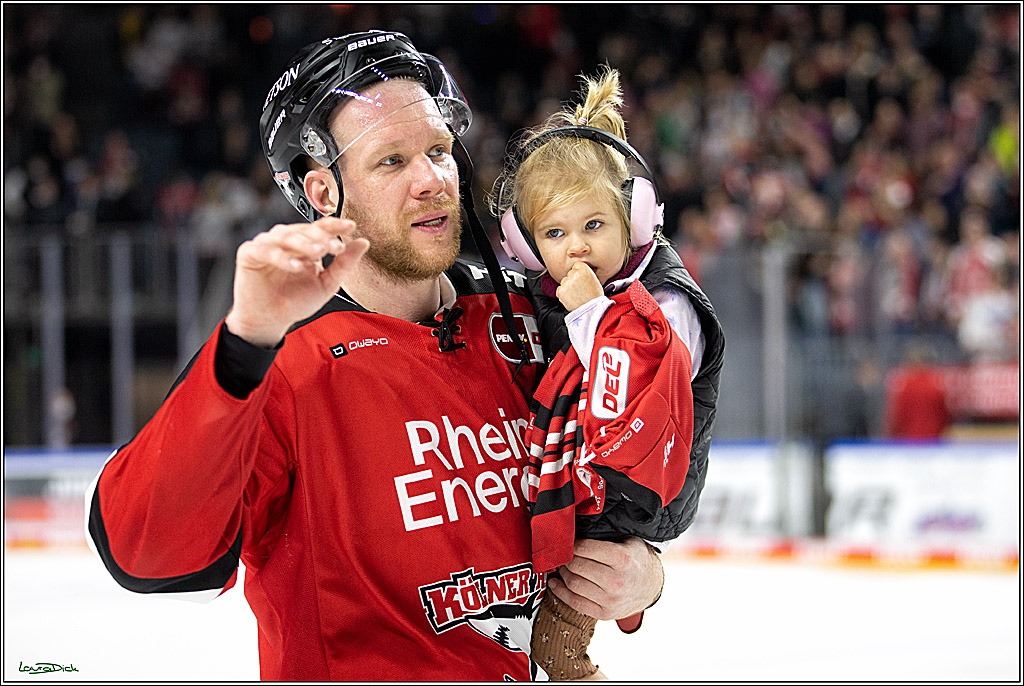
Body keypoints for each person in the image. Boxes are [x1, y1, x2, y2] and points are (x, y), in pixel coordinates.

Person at [85, 31, 664, 681]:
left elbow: (620, 471)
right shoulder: (285, 369)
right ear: (324, 193)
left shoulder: (533, 320)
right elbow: (149, 555)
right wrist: (244, 343)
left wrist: (644, 578)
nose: (432, 180)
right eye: (392, 161)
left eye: (439, 151)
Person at [489, 67, 725, 680]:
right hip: (587, 483)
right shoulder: (553, 291)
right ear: (526, 244)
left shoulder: (665, 298)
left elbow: (642, 386)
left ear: (636, 220)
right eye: (555, 233)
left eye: (594, 225)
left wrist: (592, 312)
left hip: (631, 493)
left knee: (558, 648)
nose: (577, 248)